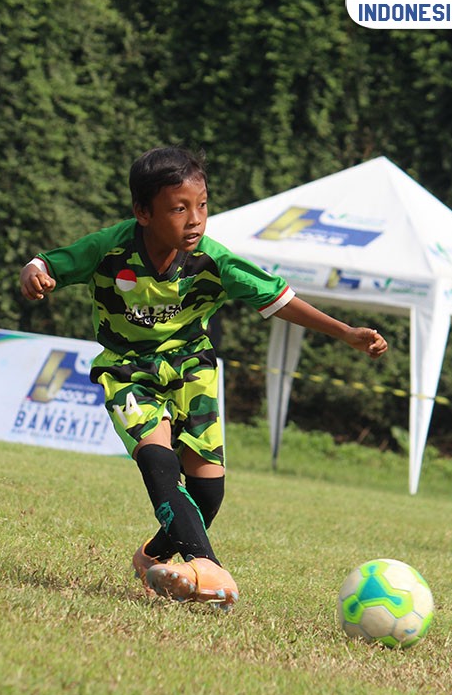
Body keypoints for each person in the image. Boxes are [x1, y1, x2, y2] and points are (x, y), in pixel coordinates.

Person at [20, 146, 388, 608]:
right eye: (179, 208)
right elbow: (49, 262)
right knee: (158, 460)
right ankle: (208, 568)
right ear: (143, 212)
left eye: (203, 205)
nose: (195, 219)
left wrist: (346, 333)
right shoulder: (110, 247)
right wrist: (35, 273)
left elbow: (278, 298)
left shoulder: (213, 261)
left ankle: (153, 555)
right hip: (127, 369)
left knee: (209, 492)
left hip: (193, 370)